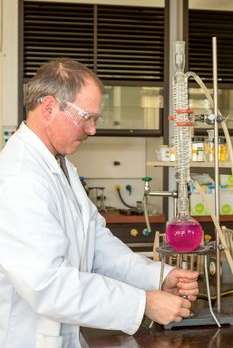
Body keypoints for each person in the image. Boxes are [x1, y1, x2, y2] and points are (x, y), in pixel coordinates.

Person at [0, 58, 199, 348]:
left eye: (96, 119)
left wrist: (158, 277)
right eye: (86, 117)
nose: (92, 129)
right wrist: (142, 303)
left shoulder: (59, 166)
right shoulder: (18, 177)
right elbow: (49, 285)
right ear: (49, 107)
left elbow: (97, 246)